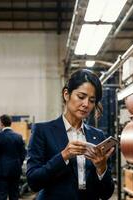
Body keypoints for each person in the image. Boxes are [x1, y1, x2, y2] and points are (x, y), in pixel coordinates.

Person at [26, 69, 115, 200]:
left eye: (92, 100)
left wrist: (102, 168)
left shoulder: (98, 137)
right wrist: (63, 156)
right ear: (66, 94)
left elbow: (106, 194)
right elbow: (34, 181)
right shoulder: (42, 131)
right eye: (81, 97)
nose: (86, 104)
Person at [0, 114, 26, 200]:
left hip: (1, 171)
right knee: (14, 195)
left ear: (1, 124)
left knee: (2, 195)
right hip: (15, 170)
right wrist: (18, 163)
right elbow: (23, 153)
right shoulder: (18, 137)